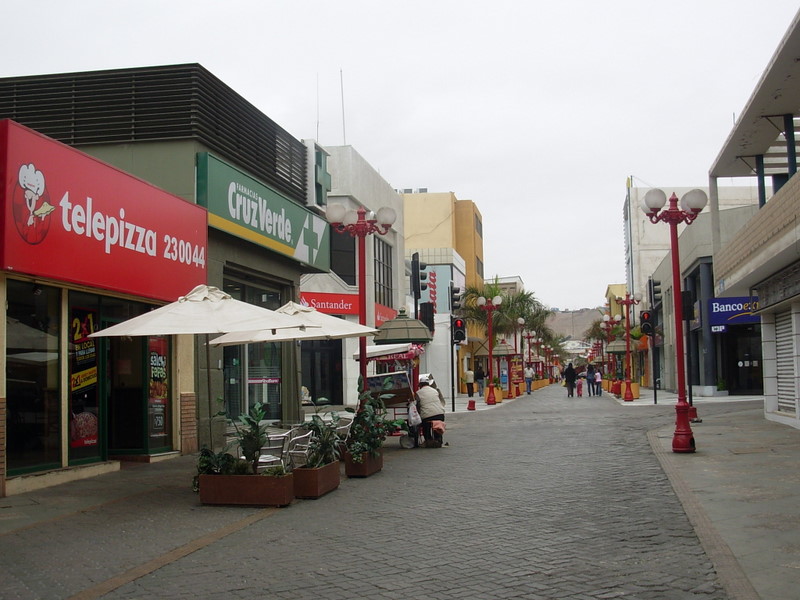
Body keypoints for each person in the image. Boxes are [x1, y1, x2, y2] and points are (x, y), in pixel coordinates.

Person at [417, 376, 446, 447]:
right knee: (437, 424)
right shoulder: (435, 391)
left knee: (425, 426)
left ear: (420, 385)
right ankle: (438, 440)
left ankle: (428, 440)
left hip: (427, 416)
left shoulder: (418, 393)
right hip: (440, 414)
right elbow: (442, 401)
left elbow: (418, 406)